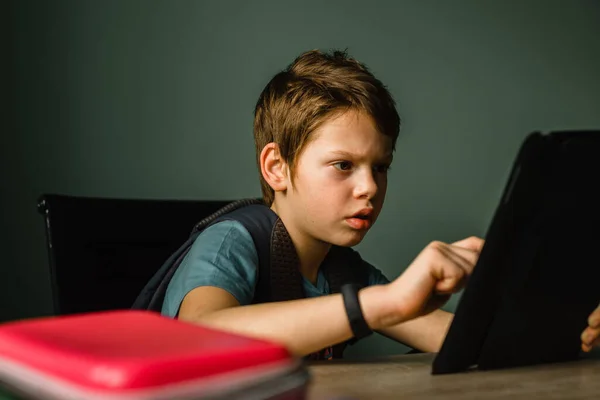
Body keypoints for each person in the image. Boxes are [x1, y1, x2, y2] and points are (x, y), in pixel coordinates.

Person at [161, 49, 600, 358]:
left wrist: (567, 328)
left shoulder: (344, 272)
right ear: (277, 167)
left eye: (381, 167)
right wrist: (384, 302)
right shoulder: (231, 243)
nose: (369, 187)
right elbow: (199, 336)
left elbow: (456, 340)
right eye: (342, 165)